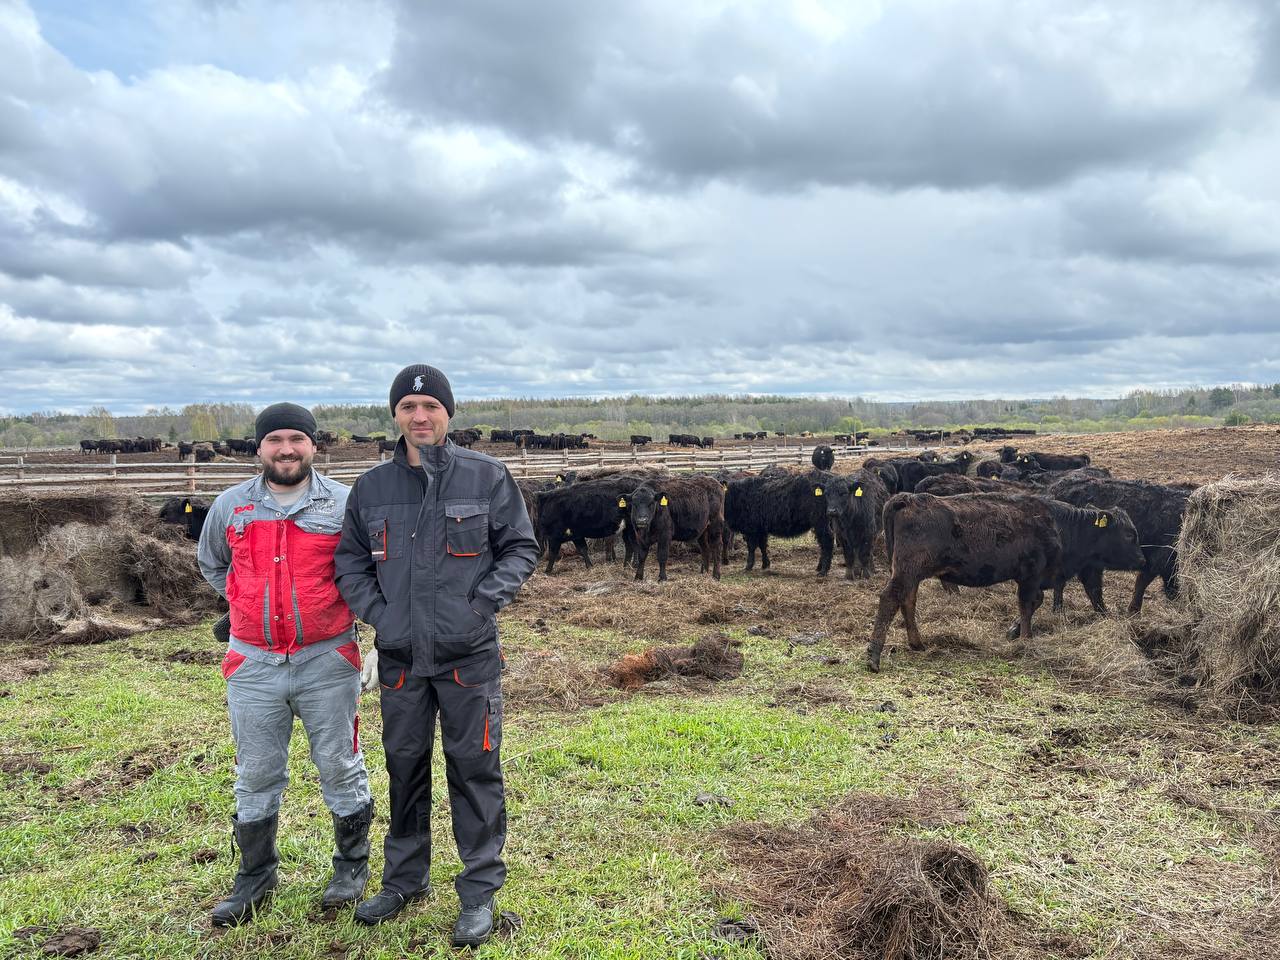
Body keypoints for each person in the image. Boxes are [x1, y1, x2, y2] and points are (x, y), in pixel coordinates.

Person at [334, 364, 538, 946]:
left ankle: (478, 890)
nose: (419, 416)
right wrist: (382, 615)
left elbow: (520, 549)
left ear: (448, 413)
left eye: (430, 407)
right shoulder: (372, 488)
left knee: (474, 769)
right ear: (395, 415)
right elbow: (350, 562)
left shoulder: (486, 476)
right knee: (404, 767)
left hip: (468, 657)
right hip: (401, 659)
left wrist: (479, 606)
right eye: (408, 407)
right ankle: (404, 879)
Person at [197, 403, 373, 927]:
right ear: (259, 447)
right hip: (253, 664)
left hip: (328, 659)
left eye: (297, 438)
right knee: (255, 772)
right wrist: (244, 603)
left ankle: (351, 866)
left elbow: (367, 571)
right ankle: (255, 875)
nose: (286, 449)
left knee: (339, 763)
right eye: (275, 440)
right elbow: (213, 564)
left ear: (314, 445)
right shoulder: (231, 506)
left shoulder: (344, 504)